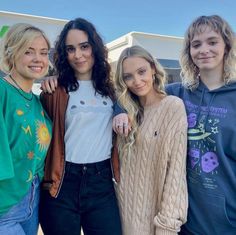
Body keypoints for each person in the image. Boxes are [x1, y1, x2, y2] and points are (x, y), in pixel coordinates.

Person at [39, 18, 122, 235]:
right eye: (71, 49)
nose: (78, 55)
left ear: (94, 47)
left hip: (102, 182)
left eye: (84, 46)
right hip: (62, 182)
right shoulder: (54, 90)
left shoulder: (111, 91)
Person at [166, 15, 236, 234]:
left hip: (227, 222)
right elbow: (132, 94)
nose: (204, 49)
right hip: (184, 221)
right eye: (196, 44)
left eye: (212, 41)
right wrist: (121, 113)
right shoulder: (177, 93)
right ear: (189, 52)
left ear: (227, 46)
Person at [114, 45, 188, 235]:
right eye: (128, 76)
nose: (137, 81)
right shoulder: (125, 110)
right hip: (117, 216)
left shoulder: (172, 107)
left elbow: (176, 172)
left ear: (153, 69)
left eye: (141, 72)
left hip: (154, 222)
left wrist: (167, 226)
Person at [0, 23, 52, 235]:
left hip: (32, 200)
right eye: (28, 51)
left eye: (43, 52)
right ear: (11, 54)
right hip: (4, 206)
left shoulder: (39, 102)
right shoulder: (2, 91)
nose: (38, 59)